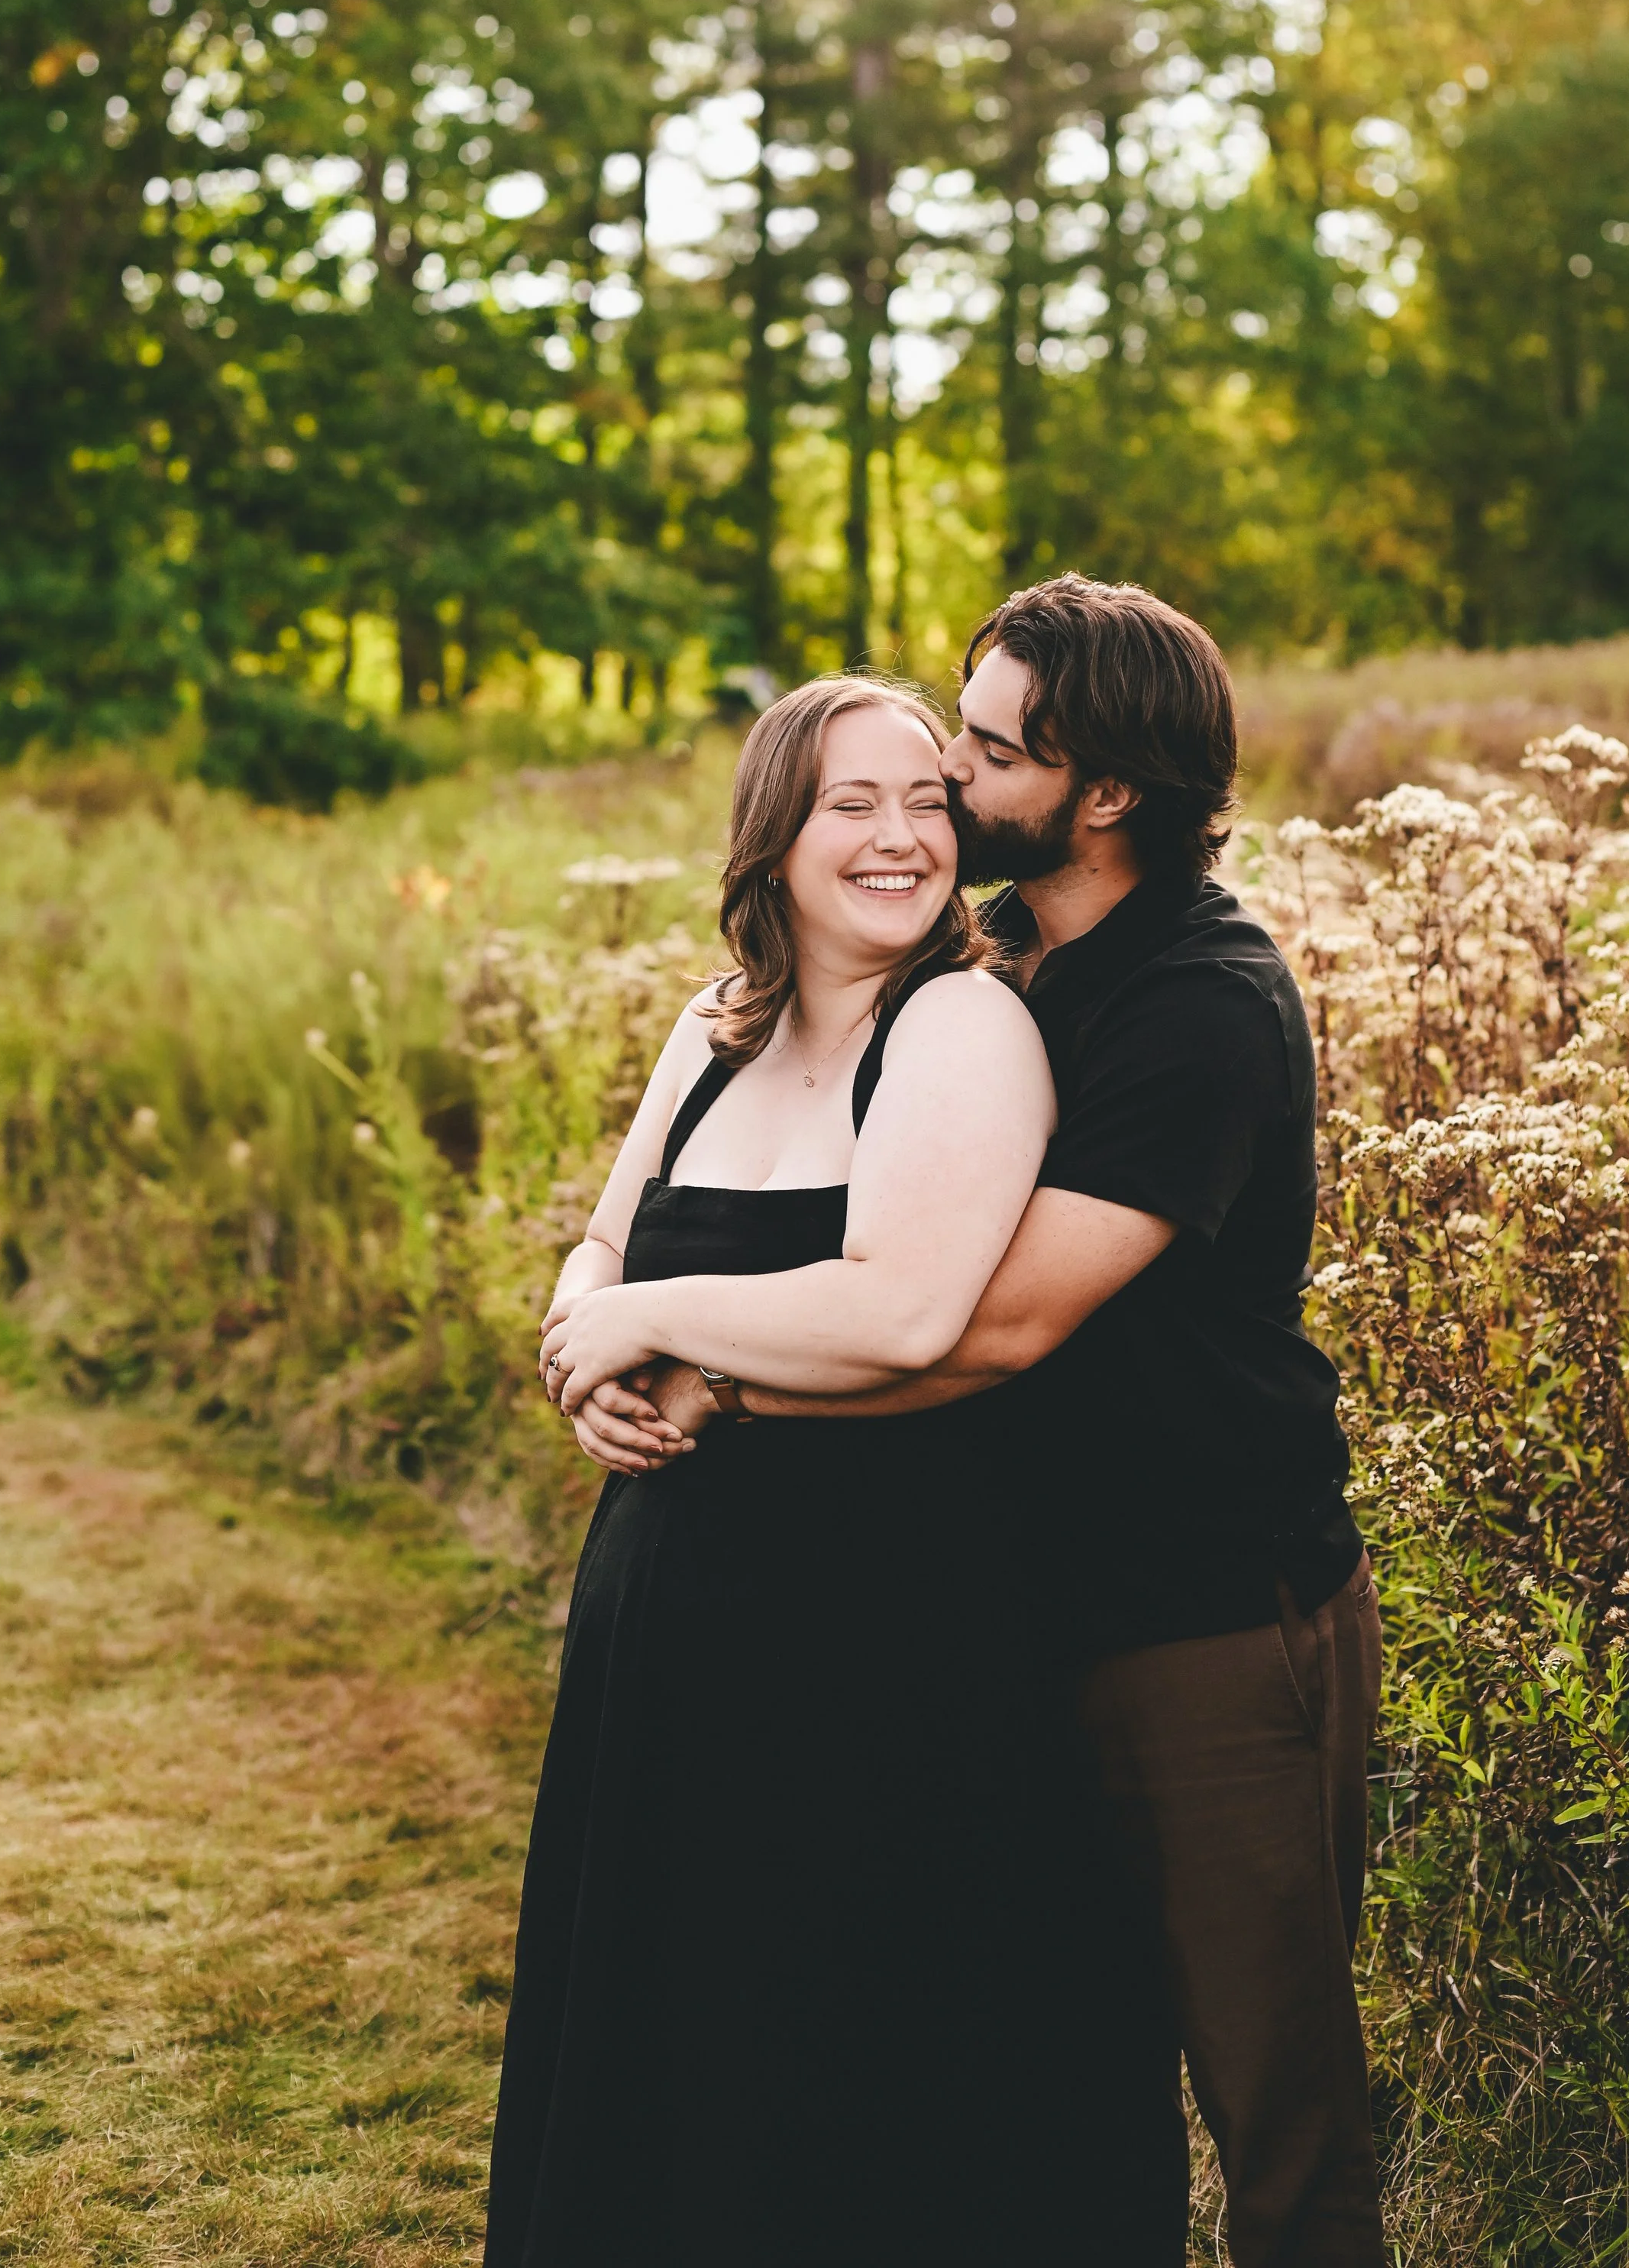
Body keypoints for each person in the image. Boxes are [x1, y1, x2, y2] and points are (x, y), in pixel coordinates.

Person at [573, 577, 1388, 2268]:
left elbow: (987, 1326)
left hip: (1205, 1616)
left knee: (1271, 2099)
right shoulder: (1002, 954)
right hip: (1005, 1604)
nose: (943, 773)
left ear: (1101, 794)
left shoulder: (1198, 1001)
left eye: (988, 748)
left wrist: (693, 1363)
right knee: (1035, 2066)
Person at [486, 672, 1162, 2268]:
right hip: (665, 1607)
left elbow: (904, 1308)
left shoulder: (960, 1027)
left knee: (839, 2043)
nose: (899, 833)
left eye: (925, 798)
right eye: (850, 802)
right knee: (670, 2023)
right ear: (772, 834)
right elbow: (600, 1241)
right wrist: (581, 1350)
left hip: (877, 1630)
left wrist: (646, 1321)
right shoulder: (709, 1031)